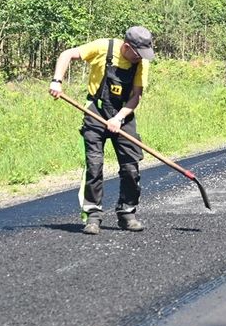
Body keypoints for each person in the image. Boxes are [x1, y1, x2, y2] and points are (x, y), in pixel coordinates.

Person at [48, 26, 155, 235]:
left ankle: (127, 213)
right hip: (95, 111)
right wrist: (57, 81)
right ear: (127, 47)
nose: (141, 58)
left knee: (131, 167)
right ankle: (93, 215)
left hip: (123, 113)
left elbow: (136, 96)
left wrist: (118, 118)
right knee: (94, 165)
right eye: (138, 53)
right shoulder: (103, 47)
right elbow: (66, 54)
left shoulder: (142, 62)